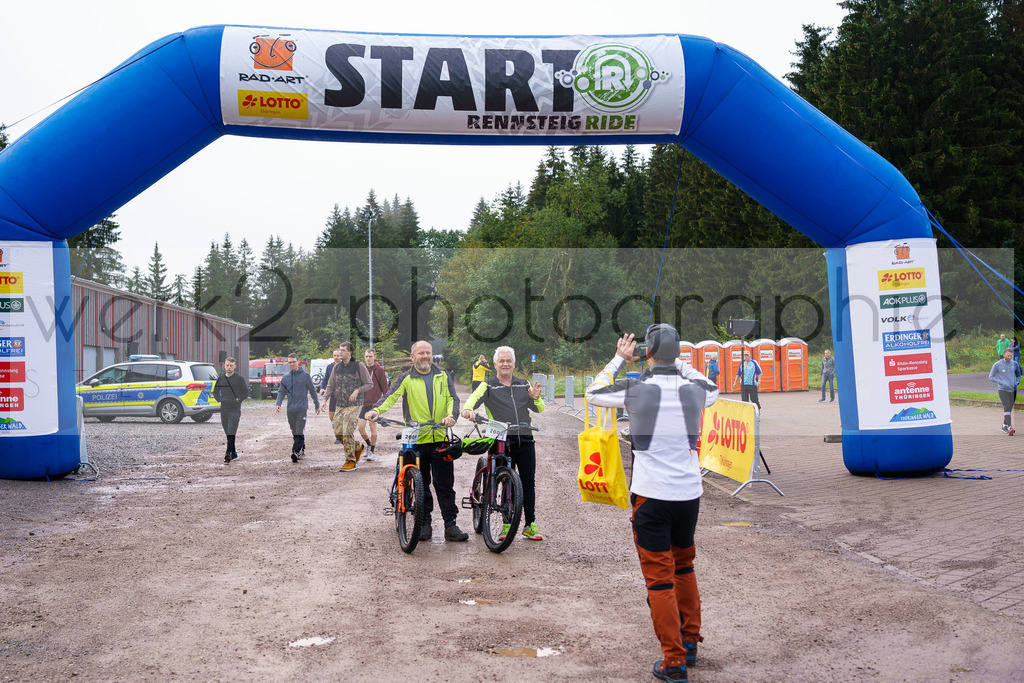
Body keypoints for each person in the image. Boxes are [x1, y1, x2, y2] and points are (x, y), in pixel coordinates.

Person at [585, 324, 719, 683]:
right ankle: (689, 641)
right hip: (689, 494)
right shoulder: (696, 389)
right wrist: (683, 364)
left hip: (651, 494)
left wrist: (618, 359)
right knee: (684, 566)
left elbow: (593, 392)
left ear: (646, 353)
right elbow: (714, 389)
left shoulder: (635, 387)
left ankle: (673, 661)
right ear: (678, 354)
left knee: (659, 579)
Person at [367, 341, 467, 542]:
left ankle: (450, 524)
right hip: (416, 439)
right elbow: (390, 396)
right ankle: (424, 523)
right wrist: (376, 410)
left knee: (445, 484)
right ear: (413, 357)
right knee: (422, 484)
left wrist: (451, 416)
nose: (425, 356)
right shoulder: (405, 378)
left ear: (432, 356)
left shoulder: (443, 375)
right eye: (421, 353)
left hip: (440, 437)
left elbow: (452, 399)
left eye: (428, 353)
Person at [461, 346, 545, 541]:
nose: (506, 364)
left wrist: (536, 398)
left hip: (524, 437)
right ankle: (507, 525)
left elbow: (539, 409)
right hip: (500, 439)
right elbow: (472, 400)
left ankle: (529, 524)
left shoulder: (523, 385)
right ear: (495, 364)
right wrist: (468, 410)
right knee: (504, 480)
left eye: (509, 361)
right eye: (502, 361)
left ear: (514, 364)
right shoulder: (488, 385)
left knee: (528, 483)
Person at [324, 342, 372, 471]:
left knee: (347, 431)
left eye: (343, 350)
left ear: (350, 352)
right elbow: (331, 385)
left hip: (355, 404)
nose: (340, 353)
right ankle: (357, 447)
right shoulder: (337, 367)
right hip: (340, 403)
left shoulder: (359, 366)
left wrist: (357, 391)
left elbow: (369, 384)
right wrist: (324, 400)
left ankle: (350, 461)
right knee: (338, 432)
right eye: (339, 350)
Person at [276, 353, 321, 462]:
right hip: (290, 409)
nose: (292, 364)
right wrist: (278, 403)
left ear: (298, 362)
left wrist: (317, 404)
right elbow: (281, 392)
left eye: (293, 362)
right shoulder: (285, 378)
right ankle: (301, 447)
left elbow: (313, 390)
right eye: (290, 362)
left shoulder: (305, 376)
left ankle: (295, 452)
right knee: (294, 430)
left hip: (302, 408)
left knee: (299, 430)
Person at [357, 348, 390, 462]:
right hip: (363, 403)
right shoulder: (362, 369)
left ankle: (372, 451)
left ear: (374, 357)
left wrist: (384, 403)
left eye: (370, 356)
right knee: (360, 427)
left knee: (372, 426)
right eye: (366, 356)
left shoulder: (380, 370)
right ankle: (368, 444)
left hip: (375, 404)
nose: (368, 359)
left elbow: (385, 387)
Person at [213, 357, 248, 463]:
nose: (229, 367)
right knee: (227, 431)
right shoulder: (221, 378)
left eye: (231, 365)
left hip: (235, 409)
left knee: (231, 430)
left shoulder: (239, 379)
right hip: (224, 408)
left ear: (235, 366)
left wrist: (239, 399)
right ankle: (234, 453)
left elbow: (246, 393)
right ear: (224, 366)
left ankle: (228, 453)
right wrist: (220, 399)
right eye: (227, 365)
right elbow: (215, 392)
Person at [988, 348, 1021, 436]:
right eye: (1008, 356)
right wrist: (1002, 383)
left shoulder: (1015, 364)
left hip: (1013, 390)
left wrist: (1017, 382)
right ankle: (1010, 427)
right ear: (1004, 355)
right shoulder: (997, 364)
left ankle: (1004, 425)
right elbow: (991, 377)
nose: (1009, 357)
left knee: (1009, 408)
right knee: (1006, 406)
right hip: (1002, 389)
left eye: (1011, 356)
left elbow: (1018, 375)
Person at [319, 347, 343, 443]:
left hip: (342, 396)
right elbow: (325, 378)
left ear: (341, 356)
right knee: (332, 416)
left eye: (338, 355)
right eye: (334, 355)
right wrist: (322, 388)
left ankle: (339, 436)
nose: (336, 357)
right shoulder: (329, 367)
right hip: (332, 395)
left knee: (341, 415)